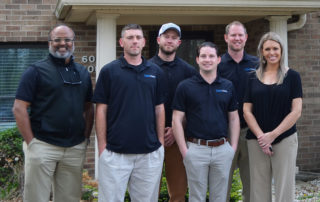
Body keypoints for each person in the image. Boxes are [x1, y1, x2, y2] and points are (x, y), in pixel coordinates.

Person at [12, 24, 94, 202]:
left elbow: (88, 107)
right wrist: (31, 143)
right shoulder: (35, 71)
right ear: (50, 43)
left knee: (69, 198)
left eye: (67, 40)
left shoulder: (82, 72)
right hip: (43, 145)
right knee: (36, 198)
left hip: (74, 148)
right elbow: (19, 108)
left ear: (73, 43)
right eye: (57, 40)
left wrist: (85, 137)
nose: (62, 43)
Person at [93, 24, 166, 202]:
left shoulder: (155, 72)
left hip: (149, 154)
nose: (134, 41)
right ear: (121, 42)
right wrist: (102, 147)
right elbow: (101, 110)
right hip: (115, 154)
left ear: (143, 42)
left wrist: (160, 144)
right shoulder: (109, 71)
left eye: (138, 38)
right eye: (130, 37)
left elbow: (159, 108)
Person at [172, 42, 240, 202]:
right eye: (203, 56)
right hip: (196, 150)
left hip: (222, 149)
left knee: (220, 197)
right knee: (196, 197)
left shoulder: (227, 86)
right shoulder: (185, 86)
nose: (207, 59)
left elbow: (234, 118)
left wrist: (233, 148)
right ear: (197, 59)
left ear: (218, 60)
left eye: (211, 56)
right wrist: (184, 151)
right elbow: (176, 119)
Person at [243, 32, 302, 202]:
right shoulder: (252, 77)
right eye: (267, 49)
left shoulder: (293, 76)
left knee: (285, 188)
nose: (272, 52)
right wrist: (262, 137)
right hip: (256, 141)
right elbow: (247, 111)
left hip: (285, 139)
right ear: (261, 51)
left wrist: (272, 135)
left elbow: (296, 111)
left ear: (281, 51)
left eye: (275, 48)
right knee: (258, 189)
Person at [149, 22, 197, 202]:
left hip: (177, 139)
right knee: (146, 191)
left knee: (177, 194)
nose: (169, 41)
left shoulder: (189, 71)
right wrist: (158, 130)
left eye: (174, 38)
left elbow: (192, 107)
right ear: (158, 40)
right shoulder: (146, 68)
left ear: (179, 42)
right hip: (150, 139)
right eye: (166, 37)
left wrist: (176, 130)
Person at [218, 21, 259, 202]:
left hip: (250, 132)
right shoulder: (217, 64)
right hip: (224, 132)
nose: (237, 38)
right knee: (222, 184)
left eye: (240, 35)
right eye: (233, 35)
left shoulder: (257, 64)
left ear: (246, 38)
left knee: (252, 184)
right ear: (226, 38)